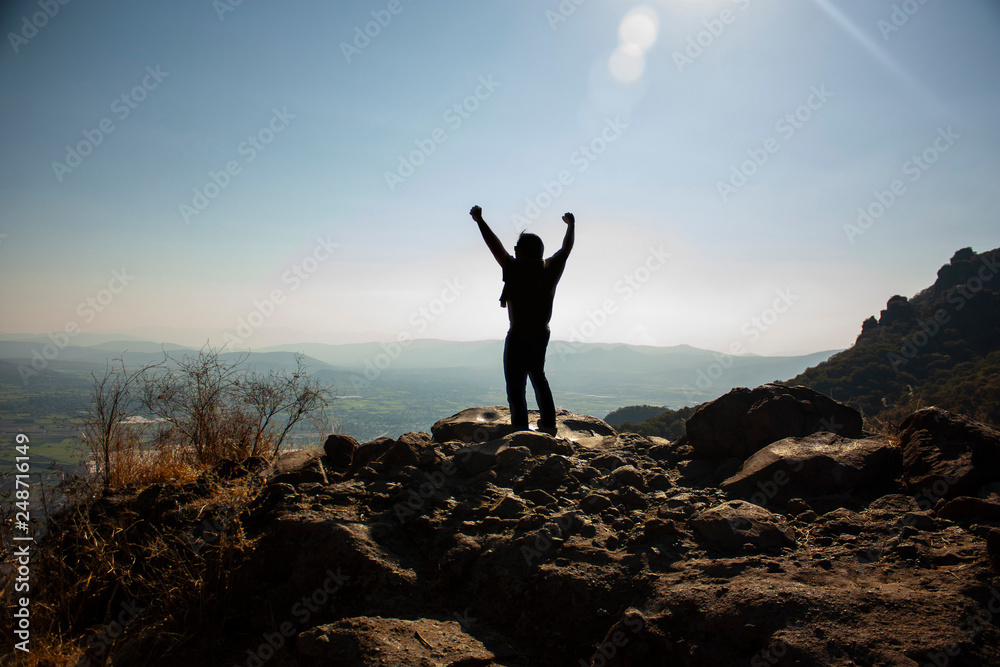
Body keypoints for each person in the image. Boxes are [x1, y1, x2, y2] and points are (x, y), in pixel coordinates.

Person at [469, 204, 575, 433]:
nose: (513, 250)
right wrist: (571, 226)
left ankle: (519, 429)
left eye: (516, 248)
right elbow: (566, 249)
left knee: (516, 387)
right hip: (541, 333)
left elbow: (493, 245)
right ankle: (548, 425)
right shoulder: (550, 268)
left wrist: (480, 221)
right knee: (538, 377)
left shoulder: (515, 268)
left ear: (522, 251)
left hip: (518, 334)